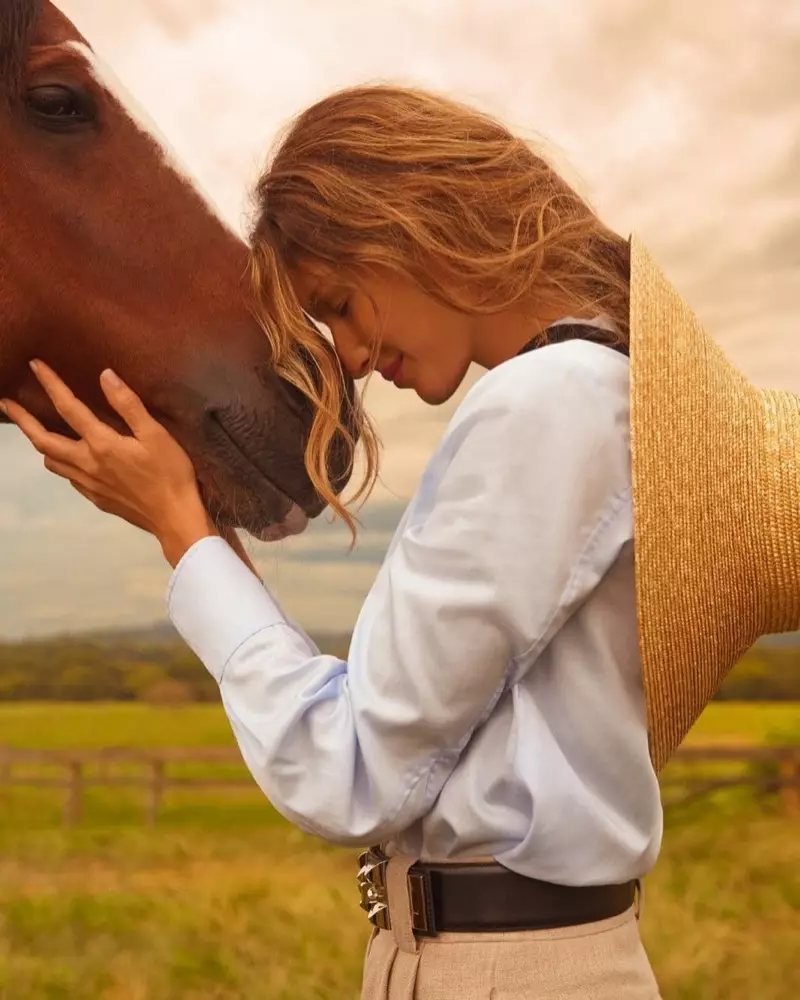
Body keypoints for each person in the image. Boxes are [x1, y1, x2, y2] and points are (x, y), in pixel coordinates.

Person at [3, 85, 799, 1000]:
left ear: (409, 224)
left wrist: (182, 533)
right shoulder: (590, 398)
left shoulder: (544, 403)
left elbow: (349, 773)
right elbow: (401, 727)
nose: (342, 354)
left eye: (338, 303)